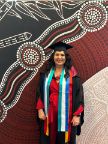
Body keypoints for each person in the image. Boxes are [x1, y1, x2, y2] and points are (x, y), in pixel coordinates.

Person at [36, 41, 84, 144]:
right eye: (57, 54)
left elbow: (79, 96)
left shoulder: (73, 75)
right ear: (53, 57)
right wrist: (40, 109)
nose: (59, 57)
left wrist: (77, 115)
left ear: (66, 57)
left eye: (62, 55)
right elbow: (39, 92)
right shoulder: (46, 75)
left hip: (67, 117)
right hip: (49, 116)